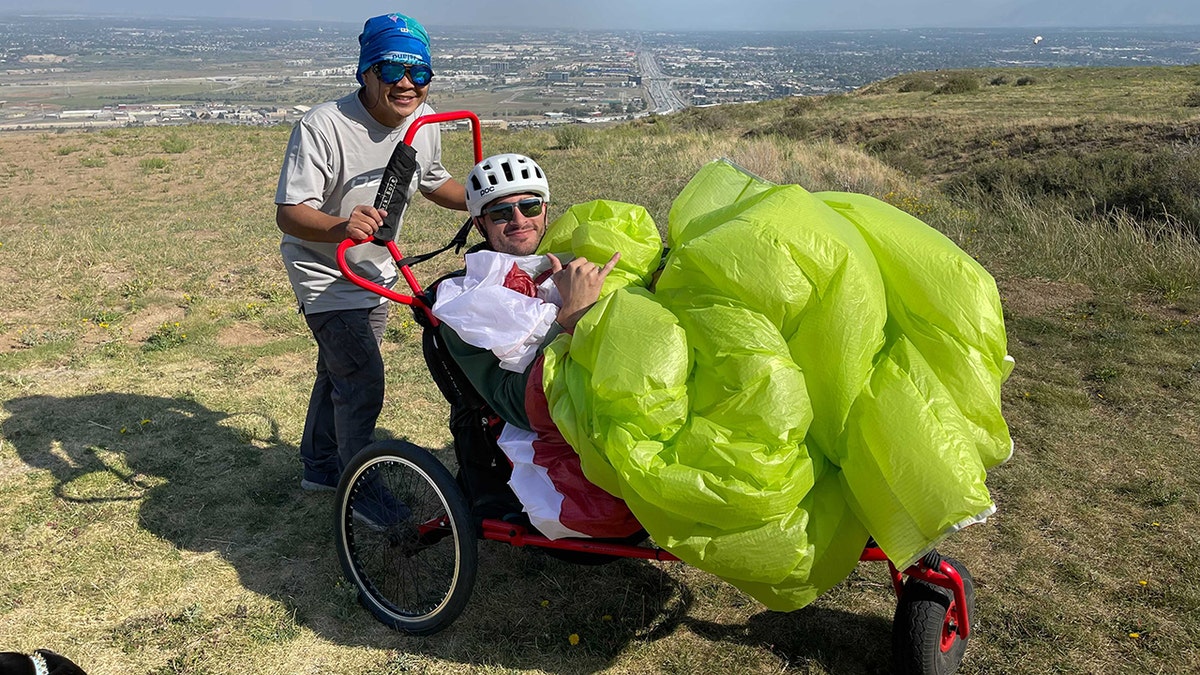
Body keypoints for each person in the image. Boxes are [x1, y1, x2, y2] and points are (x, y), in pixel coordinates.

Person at [275, 11, 467, 492]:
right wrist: (343, 226)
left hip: (376, 273)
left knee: (340, 370)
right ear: (365, 72)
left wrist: (490, 201)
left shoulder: (424, 121)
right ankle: (358, 490)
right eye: (391, 70)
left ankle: (320, 468)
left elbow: (434, 180)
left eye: (419, 72)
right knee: (361, 379)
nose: (407, 83)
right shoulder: (324, 126)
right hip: (324, 271)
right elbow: (290, 212)